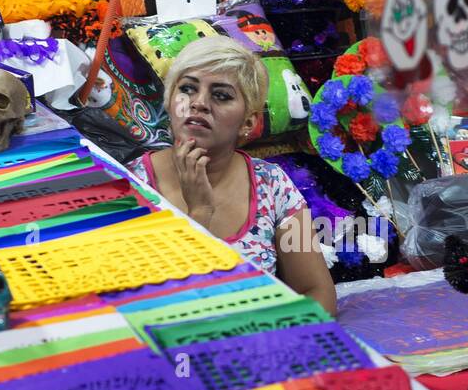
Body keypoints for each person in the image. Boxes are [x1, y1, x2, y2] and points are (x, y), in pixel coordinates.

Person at [125, 37, 337, 315]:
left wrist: (265, 339)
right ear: (169, 100)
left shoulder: (273, 185)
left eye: (221, 95)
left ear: (248, 122)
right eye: (187, 89)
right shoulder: (130, 186)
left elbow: (318, 292)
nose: (198, 103)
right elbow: (144, 305)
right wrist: (199, 212)